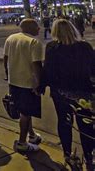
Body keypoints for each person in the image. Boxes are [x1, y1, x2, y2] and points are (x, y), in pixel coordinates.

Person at [38, 19, 94, 169]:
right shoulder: (85, 47)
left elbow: (48, 70)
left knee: (64, 122)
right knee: (86, 125)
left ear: (55, 32)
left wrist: (41, 86)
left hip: (61, 93)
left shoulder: (52, 48)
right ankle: (89, 156)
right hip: (84, 93)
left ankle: (68, 154)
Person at [3, 18, 44, 153]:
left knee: (24, 111)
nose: (39, 29)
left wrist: (8, 75)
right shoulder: (34, 42)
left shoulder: (11, 38)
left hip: (13, 81)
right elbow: (36, 65)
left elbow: (5, 59)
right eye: (37, 26)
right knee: (26, 113)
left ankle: (31, 135)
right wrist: (39, 83)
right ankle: (22, 142)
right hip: (28, 82)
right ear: (29, 28)